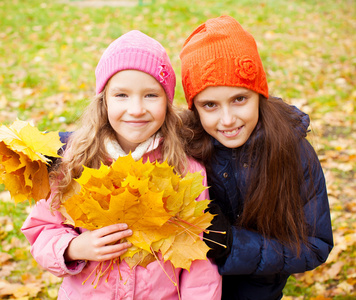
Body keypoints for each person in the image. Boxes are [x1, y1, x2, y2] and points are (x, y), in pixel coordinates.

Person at [21, 30, 222, 300]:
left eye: (151, 95)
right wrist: (74, 247)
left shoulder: (185, 171)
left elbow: (198, 261)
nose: (136, 109)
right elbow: (42, 228)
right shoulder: (74, 163)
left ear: (168, 102)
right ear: (103, 101)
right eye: (122, 95)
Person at [178, 15, 333, 300]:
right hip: (190, 288)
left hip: (260, 291)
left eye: (239, 99)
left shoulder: (291, 149)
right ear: (195, 108)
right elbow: (127, 135)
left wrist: (234, 245)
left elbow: (315, 244)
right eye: (210, 104)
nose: (227, 119)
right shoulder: (184, 144)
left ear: (259, 94)